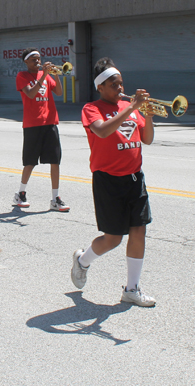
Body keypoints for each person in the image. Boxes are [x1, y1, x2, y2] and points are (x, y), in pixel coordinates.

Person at [71, 57, 156, 307]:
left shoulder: (131, 107)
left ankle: (132, 289)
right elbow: (102, 130)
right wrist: (131, 107)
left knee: (139, 230)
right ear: (100, 87)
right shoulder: (91, 108)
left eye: (120, 84)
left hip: (134, 179)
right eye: (113, 85)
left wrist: (147, 115)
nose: (120, 88)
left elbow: (147, 139)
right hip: (108, 181)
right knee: (113, 239)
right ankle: (82, 261)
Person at [14, 48, 70, 211]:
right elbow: (30, 94)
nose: (37, 62)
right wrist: (45, 75)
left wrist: (56, 75)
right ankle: (21, 193)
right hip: (32, 124)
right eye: (34, 60)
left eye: (39, 59)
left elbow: (59, 92)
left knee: (55, 160)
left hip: (50, 122)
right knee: (30, 162)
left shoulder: (46, 76)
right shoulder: (22, 76)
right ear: (26, 62)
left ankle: (55, 198)